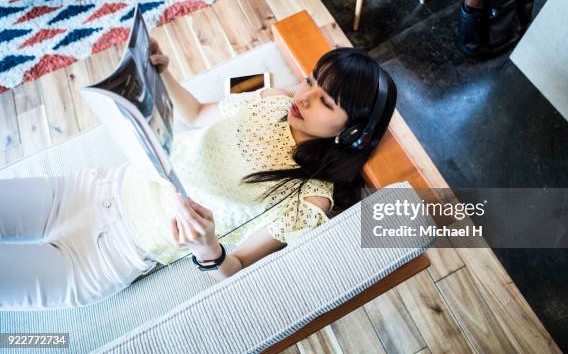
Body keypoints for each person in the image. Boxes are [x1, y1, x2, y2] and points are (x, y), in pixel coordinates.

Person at [0, 40, 397, 310]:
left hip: (108, 255)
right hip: (93, 187)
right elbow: (195, 113)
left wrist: (206, 244)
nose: (303, 96)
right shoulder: (271, 96)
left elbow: (236, 267)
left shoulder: (311, 197)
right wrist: (162, 72)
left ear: (352, 132)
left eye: (324, 101)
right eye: (310, 79)